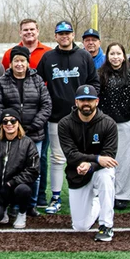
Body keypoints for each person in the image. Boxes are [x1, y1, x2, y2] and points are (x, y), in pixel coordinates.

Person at [37, 20, 100, 214]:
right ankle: (55, 198)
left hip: (83, 117)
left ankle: (89, 195)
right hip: (56, 117)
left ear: (73, 35)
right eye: (61, 34)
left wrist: (89, 106)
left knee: (86, 155)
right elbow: (38, 84)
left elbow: (94, 83)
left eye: (68, 33)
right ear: (56, 36)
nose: (64, 36)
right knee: (57, 158)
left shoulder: (84, 56)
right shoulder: (48, 57)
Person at [0, 18, 53, 208]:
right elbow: (0, 102)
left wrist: (34, 124)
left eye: (32, 29)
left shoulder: (46, 57)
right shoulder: (6, 61)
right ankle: (12, 201)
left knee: (38, 163)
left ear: (37, 31)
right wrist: (11, 124)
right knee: (12, 165)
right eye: (25, 30)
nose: (19, 64)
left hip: (35, 128)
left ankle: (36, 200)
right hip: (12, 130)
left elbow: (46, 102)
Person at [59, 85, 118, 242]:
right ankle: (98, 202)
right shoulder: (65, 123)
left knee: (107, 175)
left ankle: (106, 226)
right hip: (77, 173)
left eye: (90, 100)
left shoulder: (108, 123)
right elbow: (70, 155)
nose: (86, 103)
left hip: (99, 170)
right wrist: (96, 159)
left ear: (97, 101)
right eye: (83, 100)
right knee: (80, 226)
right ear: (76, 102)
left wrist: (91, 165)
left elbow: (109, 156)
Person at [0, 108, 40, 229]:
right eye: (5, 121)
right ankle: (3, 208)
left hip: (16, 187)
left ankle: (22, 213)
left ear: (18, 123)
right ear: (1, 125)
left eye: (13, 120)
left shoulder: (27, 143)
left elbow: (33, 170)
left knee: (24, 190)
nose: (9, 124)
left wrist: (12, 183)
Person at [97, 42, 130, 210]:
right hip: (105, 124)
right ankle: (106, 192)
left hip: (127, 123)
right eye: (112, 53)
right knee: (106, 158)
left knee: (126, 160)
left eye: (118, 53)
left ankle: (123, 195)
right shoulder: (100, 74)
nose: (115, 57)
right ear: (107, 56)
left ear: (124, 55)